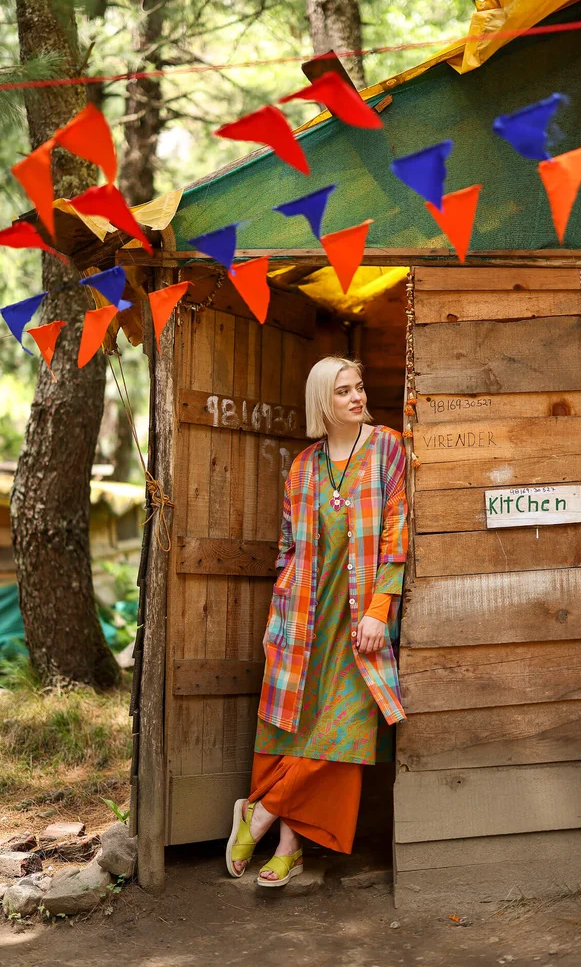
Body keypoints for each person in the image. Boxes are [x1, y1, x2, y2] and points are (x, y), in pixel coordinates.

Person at [225, 355, 408, 887]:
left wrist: (380, 609)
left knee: (344, 735)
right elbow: (287, 550)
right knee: (297, 729)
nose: (356, 398)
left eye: (359, 387)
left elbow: (396, 535)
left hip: (359, 620)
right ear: (322, 403)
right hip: (303, 618)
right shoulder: (303, 467)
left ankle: (256, 817)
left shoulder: (386, 448)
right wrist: (274, 621)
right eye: (343, 392)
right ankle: (290, 846)